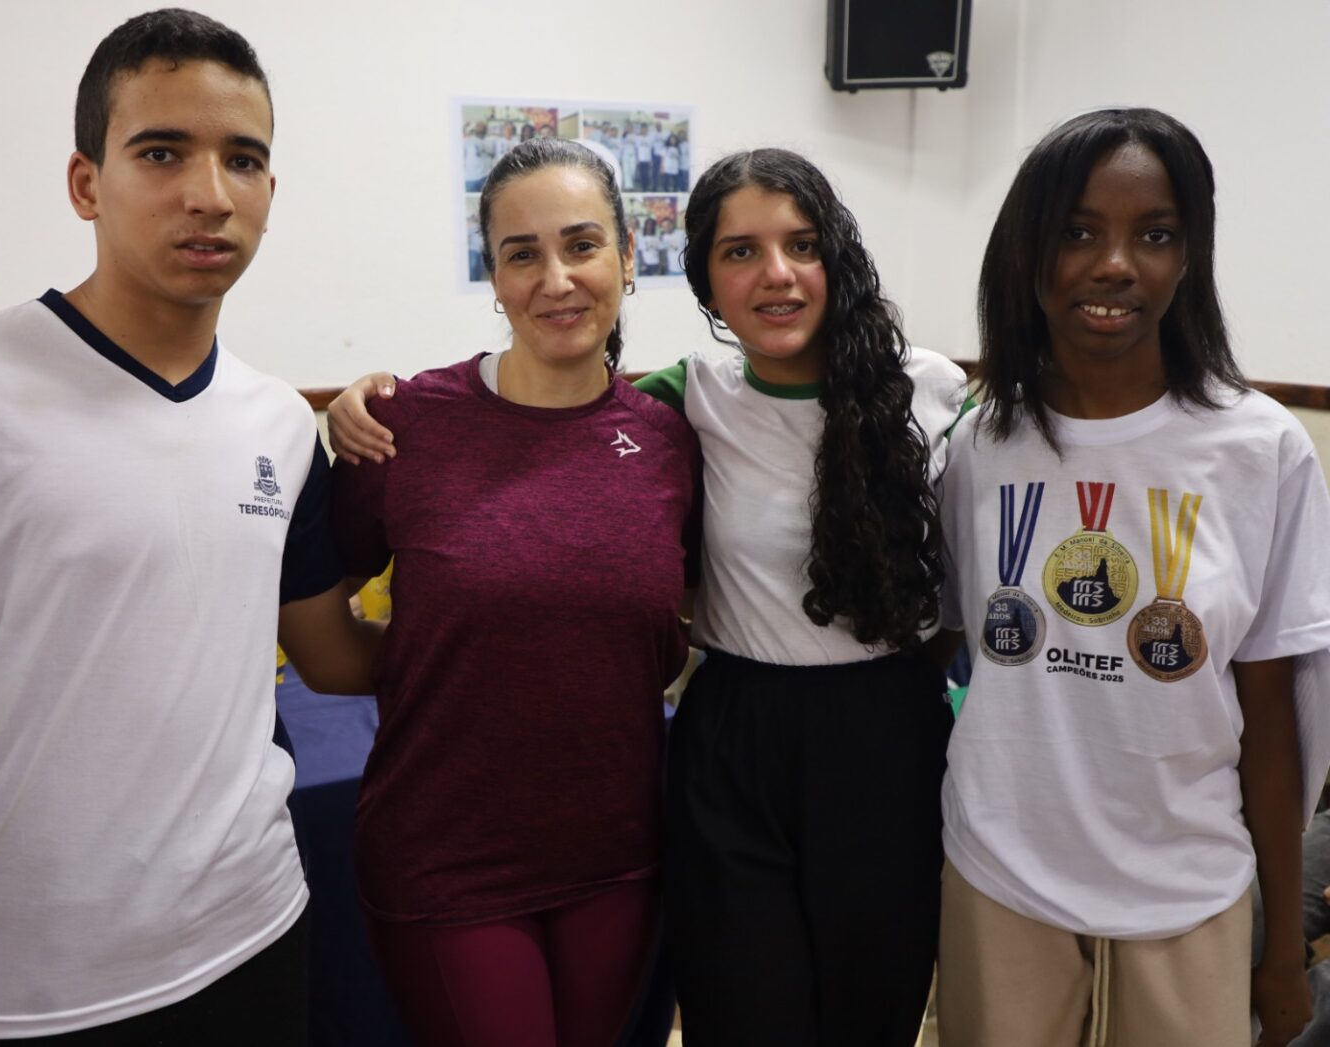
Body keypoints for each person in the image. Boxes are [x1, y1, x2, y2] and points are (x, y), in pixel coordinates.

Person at [0, 10, 381, 1044]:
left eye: (243, 160)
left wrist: (529, 618)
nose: (210, 193)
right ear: (85, 183)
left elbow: (333, 657)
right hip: (30, 988)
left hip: (259, 926)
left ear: (268, 191)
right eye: (162, 152)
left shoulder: (281, 425)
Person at [329, 146, 968, 1046]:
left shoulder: (928, 395)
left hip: (864, 744)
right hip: (720, 739)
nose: (776, 273)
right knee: (741, 1014)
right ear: (702, 276)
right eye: (740, 251)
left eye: (801, 244)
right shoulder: (683, 404)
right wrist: (362, 398)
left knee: (871, 1014)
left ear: (627, 259)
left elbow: (963, 592)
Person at [935, 107, 1330, 1047]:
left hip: (1190, 893)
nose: (1116, 264)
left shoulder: (1261, 449)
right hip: (1000, 883)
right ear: (1030, 250)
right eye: (1078, 232)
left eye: (1155, 235)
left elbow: (1274, 720)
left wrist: (1281, 948)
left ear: (1190, 256)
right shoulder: (980, 445)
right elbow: (950, 662)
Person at [329, 137, 699, 1047]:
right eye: (522, 254)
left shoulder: (667, 440)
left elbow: (675, 624)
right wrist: (428, 664)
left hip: (617, 854)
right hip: (447, 856)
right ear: (493, 278)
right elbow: (316, 617)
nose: (556, 280)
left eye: (582, 245)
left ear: (627, 257)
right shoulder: (404, 425)